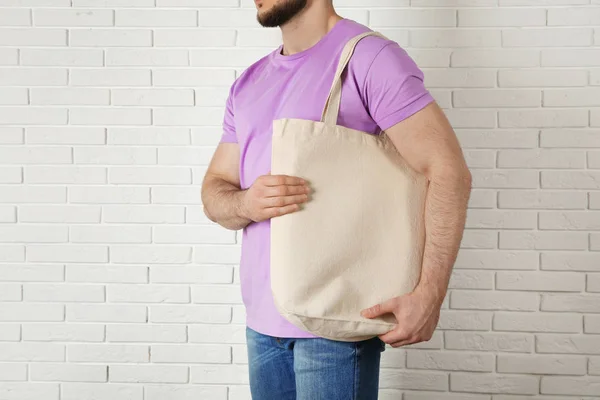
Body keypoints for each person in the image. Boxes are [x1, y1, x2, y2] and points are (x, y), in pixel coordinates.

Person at [201, 0, 472, 398]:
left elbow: (448, 171)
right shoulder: (249, 82)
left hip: (335, 323)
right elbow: (215, 188)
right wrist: (245, 204)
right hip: (261, 325)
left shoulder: (368, 58)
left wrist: (429, 293)